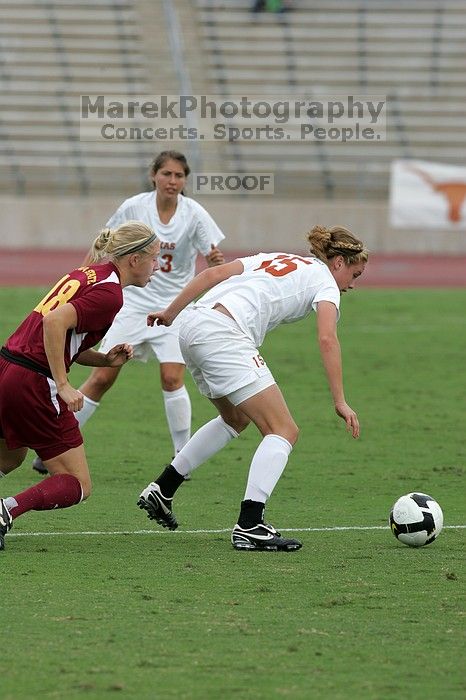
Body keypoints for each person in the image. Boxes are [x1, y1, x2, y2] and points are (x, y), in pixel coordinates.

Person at [137, 225, 368, 552]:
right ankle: (250, 524)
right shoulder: (326, 282)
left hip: (192, 327)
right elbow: (328, 339)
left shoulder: (277, 258)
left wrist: (171, 314)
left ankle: (163, 489)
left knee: (235, 419)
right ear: (339, 263)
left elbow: (212, 274)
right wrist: (340, 400)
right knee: (283, 429)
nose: (352, 285)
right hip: (223, 334)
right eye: (354, 275)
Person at [32, 150, 225, 475]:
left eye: (179, 176)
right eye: (167, 174)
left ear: (185, 180)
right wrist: (83, 276)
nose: (173, 181)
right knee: (103, 375)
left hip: (173, 307)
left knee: (172, 377)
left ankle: (182, 458)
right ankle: (55, 444)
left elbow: (213, 254)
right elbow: (103, 244)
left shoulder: (194, 213)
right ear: (154, 176)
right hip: (132, 304)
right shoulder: (135, 206)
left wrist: (216, 260)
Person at [0, 222, 159, 550]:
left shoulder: (88, 273)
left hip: (8, 368)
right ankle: (5, 511)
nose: (157, 266)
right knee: (77, 483)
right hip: (32, 381)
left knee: (9, 459)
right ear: (134, 259)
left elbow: (62, 336)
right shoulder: (110, 293)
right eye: (154, 258)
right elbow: (54, 323)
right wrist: (63, 384)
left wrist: (104, 360)